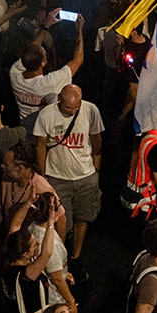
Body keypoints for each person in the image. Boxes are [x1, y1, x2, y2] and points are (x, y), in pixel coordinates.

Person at [33, 85, 103, 269]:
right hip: (57, 177)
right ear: (59, 100)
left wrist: (96, 169)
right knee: (62, 222)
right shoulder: (46, 115)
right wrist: (43, 176)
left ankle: (76, 256)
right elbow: (40, 145)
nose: (72, 112)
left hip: (85, 176)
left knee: (83, 218)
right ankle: (60, 256)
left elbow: (97, 142)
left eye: (76, 107)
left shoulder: (90, 110)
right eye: (68, 108)